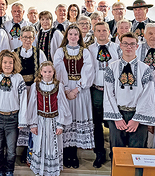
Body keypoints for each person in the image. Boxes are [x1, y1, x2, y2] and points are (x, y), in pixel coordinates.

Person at [103, 32, 155, 155]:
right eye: (125, 44)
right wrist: (116, 117)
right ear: (120, 45)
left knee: (137, 153)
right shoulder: (112, 68)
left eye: (132, 44)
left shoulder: (145, 69)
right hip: (117, 114)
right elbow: (108, 94)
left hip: (137, 116)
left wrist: (137, 119)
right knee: (117, 152)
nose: (129, 47)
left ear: (137, 46)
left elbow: (148, 95)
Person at [53, 24, 95, 169]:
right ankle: (65, 153)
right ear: (66, 36)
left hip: (80, 90)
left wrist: (76, 89)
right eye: (70, 34)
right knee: (66, 118)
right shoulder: (60, 51)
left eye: (75, 34)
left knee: (77, 118)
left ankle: (74, 154)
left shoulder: (85, 52)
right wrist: (65, 90)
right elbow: (58, 71)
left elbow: (89, 71)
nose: (73, 37)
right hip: (64, 89)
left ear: (79, 36)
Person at [0, 50, 28, 176]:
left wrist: (22, 119)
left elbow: (23, 100)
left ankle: (9, 170)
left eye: (10, 63)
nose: (8, 65)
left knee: (11, 149)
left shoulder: (18, 79)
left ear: (15, 64)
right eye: (5, 62)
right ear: (0, 63)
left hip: (12, 118)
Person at [28, 62, 72, 176]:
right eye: (45, 72)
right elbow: (32, 105)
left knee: (53, 145)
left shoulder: (59, 86)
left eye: (50, 72)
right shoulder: (35, 86)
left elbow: (62, 105)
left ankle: (52, 170)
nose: (47, 74)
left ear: (53, 72)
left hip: (54, 120)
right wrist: (33, 124)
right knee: (39, 144)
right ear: (41, 73)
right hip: (40, 120)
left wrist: (60, 124)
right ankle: (40, 169)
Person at [87, 22, 120, 168]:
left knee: (113, 123)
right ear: (94, 32)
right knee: (97, 124)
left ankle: (115, 154)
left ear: (109, 32)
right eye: (98, 30)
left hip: (113, 91)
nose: (101, 33)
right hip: (96, 90)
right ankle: (99, 152)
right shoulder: (89, 49)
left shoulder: (116, 48)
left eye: (104, 30)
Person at [14, 26, 47, 164]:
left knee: (32, 118)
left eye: (30, 37)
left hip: (33, 90)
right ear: (20, 38)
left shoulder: (39, 53)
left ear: (34, 39)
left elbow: (44, 72)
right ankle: (18, 149)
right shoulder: (14, 53)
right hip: (18, 91)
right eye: (25, 37)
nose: (27, 40)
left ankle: (30, 150)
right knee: (20, 118)